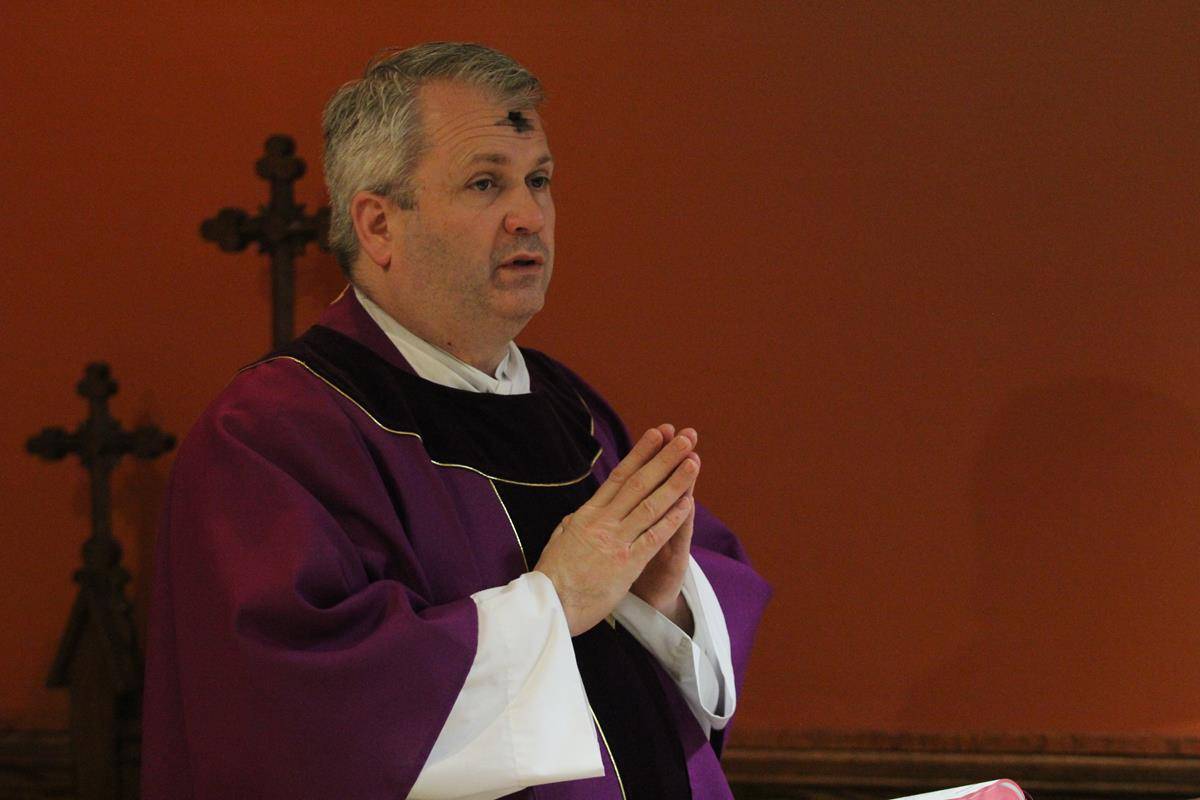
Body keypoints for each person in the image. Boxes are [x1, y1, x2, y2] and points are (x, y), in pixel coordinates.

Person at [142, 42, 770, 800]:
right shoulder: (273, 437)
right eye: (485, 183)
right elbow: (297, 711)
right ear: (377, 226)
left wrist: (661, 600)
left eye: (539, 180)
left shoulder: (570, 412)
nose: (528, 216)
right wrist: (555, 602)